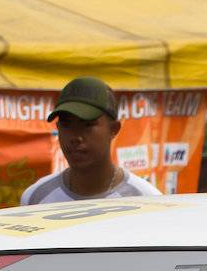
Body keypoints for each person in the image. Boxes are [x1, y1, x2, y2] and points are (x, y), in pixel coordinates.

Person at [20, 78, 160, 204]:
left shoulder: (145, 200)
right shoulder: (36, 197)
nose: (75, 137)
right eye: (66, 124)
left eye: (87, 124)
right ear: (58, 128)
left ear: (114, 129)